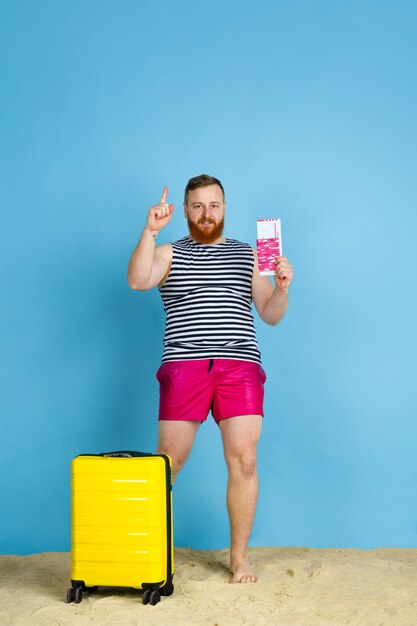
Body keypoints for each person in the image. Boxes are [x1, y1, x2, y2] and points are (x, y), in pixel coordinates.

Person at [128, 174, 293, 584]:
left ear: (225, 208)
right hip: (185, 365)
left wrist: (283, 288)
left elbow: (270, 314)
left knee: (245, 460)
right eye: (198, 206)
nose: (206, 213)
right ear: (185, 210)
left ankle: (239, 560)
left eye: (214, 205)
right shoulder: (168, 252)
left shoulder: (246, 254)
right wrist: (149, 231)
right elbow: (137, 280)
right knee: (168, 463)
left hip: (239, 366)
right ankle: (145, 549)